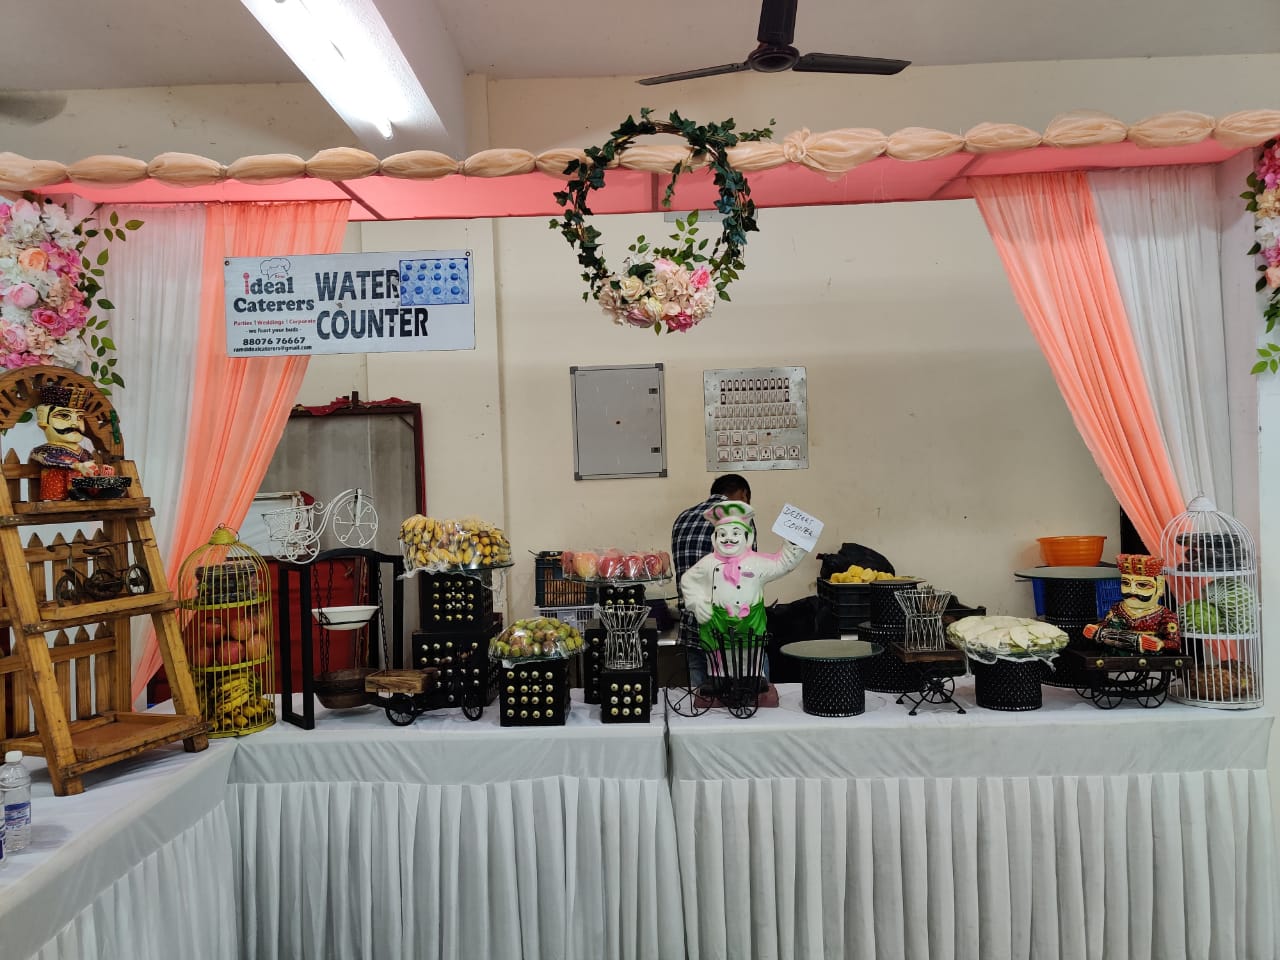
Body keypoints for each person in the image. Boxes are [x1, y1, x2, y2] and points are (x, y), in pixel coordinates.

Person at [679, 500, 810, 691]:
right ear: (714, 538)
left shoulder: (757, 563)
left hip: (750, 620)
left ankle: (753, 676)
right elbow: (688, 580)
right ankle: (719, 677)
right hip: (718, 620)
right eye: (722, 534)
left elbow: (782, 563)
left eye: (735, 533)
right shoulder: (708, 563)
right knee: (719, 651)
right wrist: (697, 602)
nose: (728, 539)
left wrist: (795, 539)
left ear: (747, 537)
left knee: (751, 650)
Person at [672, 474, 751, 690]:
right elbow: (748, 575)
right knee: (744, 697)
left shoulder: (683, 518)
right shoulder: (739, 517)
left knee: (701, 701)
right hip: (730, 630)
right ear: (743, 494)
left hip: (692, 626)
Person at [1083, 553, 1181, 653]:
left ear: (1159, 588)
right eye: (1126, 583)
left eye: (1142, 585)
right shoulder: (1117, 608)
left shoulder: (1165, 615)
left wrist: (1160, 644)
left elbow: (1175, 643)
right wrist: (1095, 628)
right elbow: (1105, 625)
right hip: (1116, 656)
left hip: (1149, 659)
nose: (1132, 590)